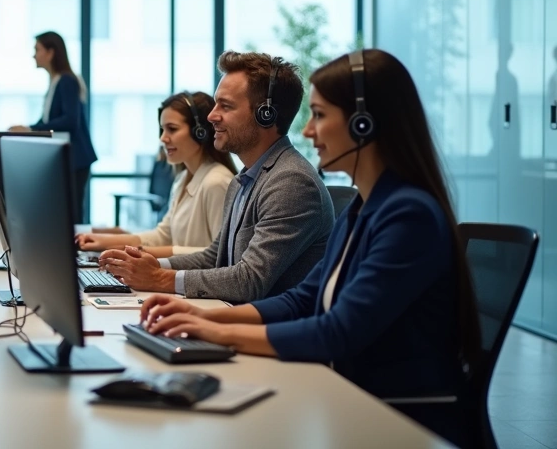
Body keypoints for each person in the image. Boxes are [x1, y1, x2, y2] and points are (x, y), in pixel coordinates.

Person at [139, 49, 480, 447]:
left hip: (398, 418)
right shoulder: (364, 208)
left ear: (362, 124)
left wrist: (218, 333)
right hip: (351, 396)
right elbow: (304, 299)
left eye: (319, 115)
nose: (307, 131)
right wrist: (205, 320)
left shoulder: (408, 216)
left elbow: (337, 332)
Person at [99, 51, 333, 303]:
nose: (211, 116)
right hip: (230, 316)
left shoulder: (291, 182)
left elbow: (249, 280)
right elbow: (214, 257)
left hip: (266, 333)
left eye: (226, 106)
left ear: (266, 114)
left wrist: (158, 278)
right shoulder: (244, 179)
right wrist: (151, 264)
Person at [77, 92, 236, 258]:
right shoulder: (182, 180)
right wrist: (102, 242)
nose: (163, 138)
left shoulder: (216, 182)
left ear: (200, 132)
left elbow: (219, 255)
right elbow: (163, 235)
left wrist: (137, 252)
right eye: (162, 129)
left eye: (172, 129)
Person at [10, 31, 98, 219]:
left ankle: (77, 248)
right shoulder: (56, 81)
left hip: (76, 158)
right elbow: (48, 121)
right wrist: (27, 129)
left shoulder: (67, 80)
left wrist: (32, 129)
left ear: (51, 53)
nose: (34, 55)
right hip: (69, 157)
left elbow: (69, 121)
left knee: (72, 213)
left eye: (37, 50)